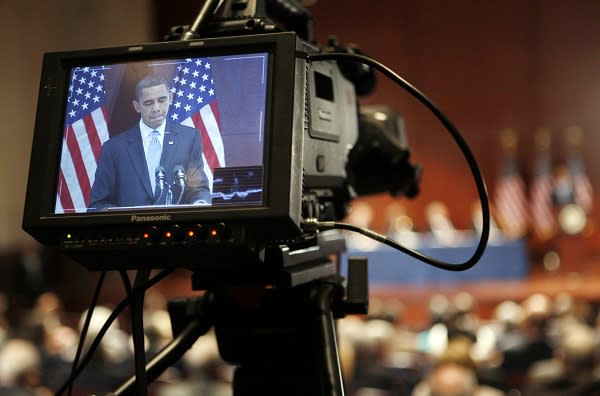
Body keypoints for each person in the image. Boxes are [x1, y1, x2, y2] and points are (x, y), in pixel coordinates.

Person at [89, 74, 212, 211]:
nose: (156, 108)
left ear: (170, 98)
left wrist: (200, 205)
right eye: (148, 103)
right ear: (137, 106)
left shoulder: (189, 137)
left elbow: (198, 189)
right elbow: (98, 203)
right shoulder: (113, 148)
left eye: (162, 100)